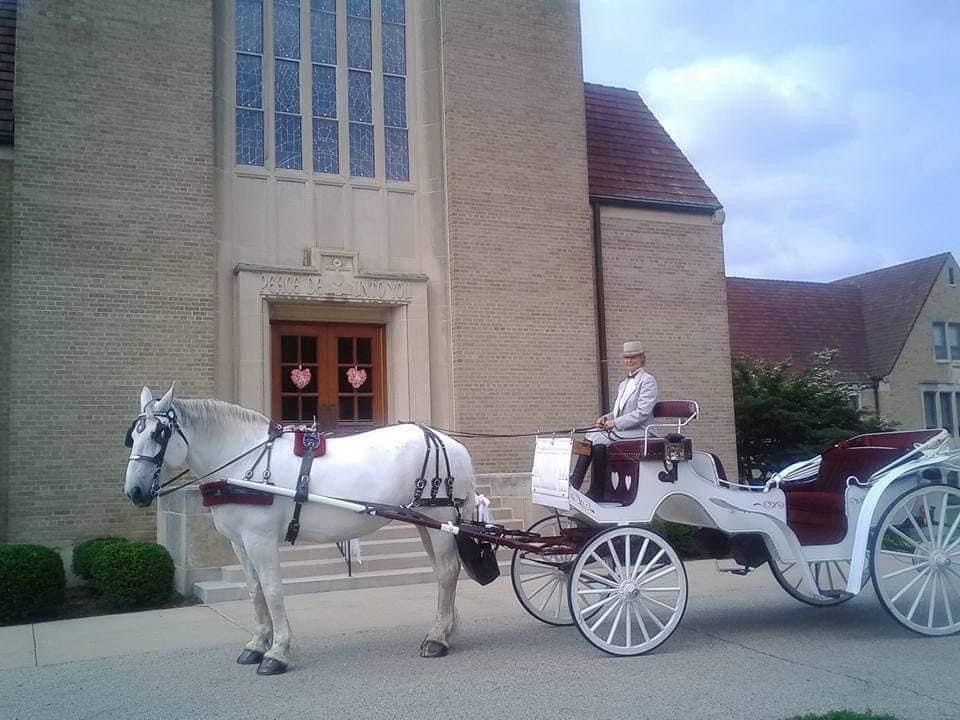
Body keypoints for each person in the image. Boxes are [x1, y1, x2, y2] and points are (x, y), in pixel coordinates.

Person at [570, 341, 659, 493]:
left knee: (598, 439)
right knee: (591, 433)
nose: (629, 361)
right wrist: (605, 418)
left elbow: (642, 413)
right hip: (625, 429)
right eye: (626, 357)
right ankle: (583, 483)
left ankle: (588, 486)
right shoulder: (623, 384)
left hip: (642, 430)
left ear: (642, 359)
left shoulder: (648, 381)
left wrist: (615, 423)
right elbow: (618, 412)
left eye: (633, 357)